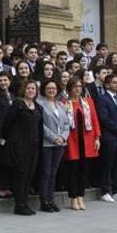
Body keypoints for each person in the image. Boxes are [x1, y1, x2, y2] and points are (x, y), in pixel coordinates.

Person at [3, 80, 43, 216]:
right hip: (20, 146)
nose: (31, 90)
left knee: (29, 176)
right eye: (28, 88)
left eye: (33, 88)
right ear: (23, 90)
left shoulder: (38, 107)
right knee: (21, 175)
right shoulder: (17, 104)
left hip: (34, 146)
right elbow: (7, 123)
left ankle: (25, 203)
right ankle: (19, 205)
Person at [64, 77, 100, 211]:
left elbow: (95, 120)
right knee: (73, 170)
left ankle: (81, 196)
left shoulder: (88, 102)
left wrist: (97, 138)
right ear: (69, 89)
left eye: (79, 86)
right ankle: (73, 197)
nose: (77, 89)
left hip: (87, 141)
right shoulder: (65, 103)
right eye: (74, 86)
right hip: (72, 141)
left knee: (84, 170)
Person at [95, 74, 117, 202]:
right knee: (107, 164)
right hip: (110, 136)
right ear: (107, 84)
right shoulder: (102, 99)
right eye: (114, 82)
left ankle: (116, 190)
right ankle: (105, 190)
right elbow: (104, 118)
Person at [36, 80, 70, 212]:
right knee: (45, 172)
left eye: (54, 88)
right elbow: (41, 125)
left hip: (60, 143)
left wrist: (63, 137)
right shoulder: (40, 104)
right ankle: (44, 201)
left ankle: (51, 199)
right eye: (49, 88)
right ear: (44, 90)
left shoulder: (60, 105)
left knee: (53, 173)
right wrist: (54, 137)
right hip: (47, 143)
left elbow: (67, 124)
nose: (51, 90)